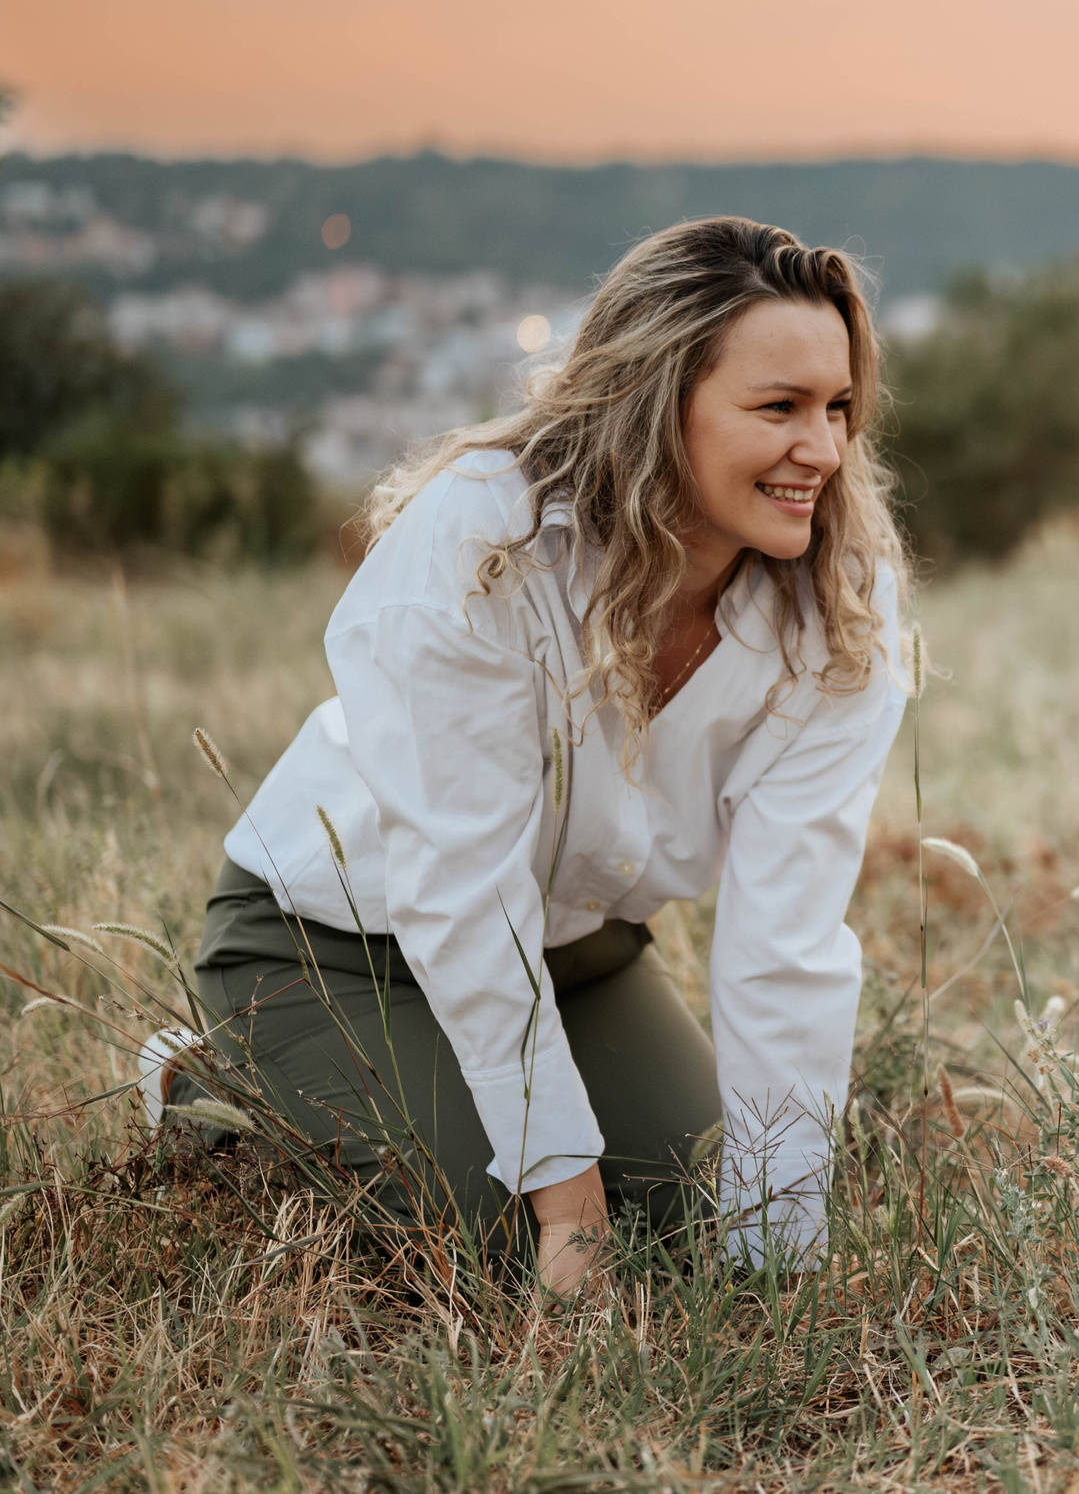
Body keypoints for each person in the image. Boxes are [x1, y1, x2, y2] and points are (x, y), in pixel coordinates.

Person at [159, 217, 908, 1292]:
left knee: (706, 1220)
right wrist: (565, 1195)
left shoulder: (840, 597)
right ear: (659, 401)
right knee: (510, 1245)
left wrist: (780, 1258)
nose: (825, 450)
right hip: (332, 946)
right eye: (778, 408)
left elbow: (786, 939)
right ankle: (211, 1092)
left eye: (837, 408)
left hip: (577, 952)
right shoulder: (484, 542)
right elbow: (458, 885)